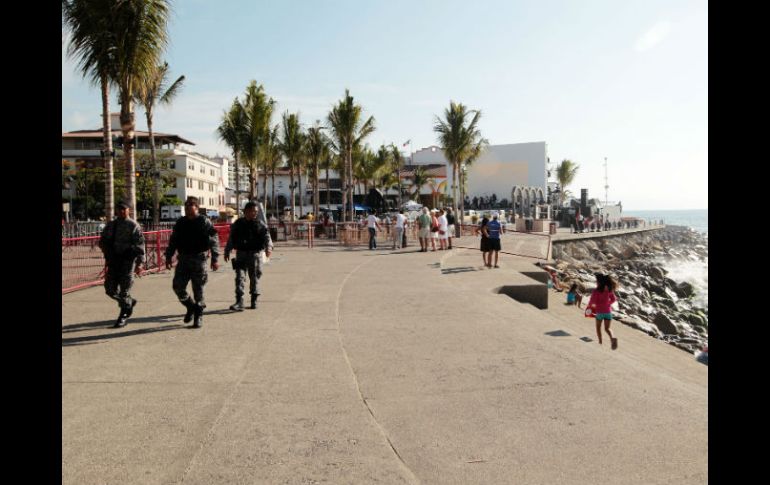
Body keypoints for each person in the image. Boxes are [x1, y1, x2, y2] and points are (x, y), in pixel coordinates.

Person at [164, 197, 220, 328]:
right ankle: (190, 306)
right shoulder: (181, 222)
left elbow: (214, 240)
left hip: (199, 259)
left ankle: (198, 315)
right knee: (178, 287)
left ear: (197, 208)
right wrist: (168, 256)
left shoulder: (204, 221)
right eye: (187, 207)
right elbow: (173, 240)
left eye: (191, 207)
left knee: (198, 289)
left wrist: (215, 258)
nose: (188, 209)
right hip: (183, 259)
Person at [98, 202, 145, 328]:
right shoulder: (111, 225)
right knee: (110, 289)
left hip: (127, 262)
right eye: (119, 209)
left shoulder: (133, 225)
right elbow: (102, 241)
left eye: (124, 209)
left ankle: (123, 315)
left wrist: (140, 263)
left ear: (129, 210)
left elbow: (140, 245)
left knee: (124, 290)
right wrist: (107, 251)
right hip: (114, 261)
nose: (122, 212)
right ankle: (128, 302)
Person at [224, 201, 273, 311]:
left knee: (254, 277)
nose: (254, 213)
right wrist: (227, 250)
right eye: (252, 211)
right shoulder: (238, 224)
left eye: (256, 212)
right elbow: (232, 238)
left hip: (255, 255)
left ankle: (254, 300)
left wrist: (268, 248)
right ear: (246, 211)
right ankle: (239, 301)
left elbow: (267, 237)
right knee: (239, 277)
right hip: (241, 254)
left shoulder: (260, 224)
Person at [586, 273, 619, 349]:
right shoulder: (609, 290)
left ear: (599, 282)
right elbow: (614, 299)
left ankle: (600, 342)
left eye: (596, 281)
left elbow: (592, 302)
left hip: (599, 312)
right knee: (607, 329)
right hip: (608, 312)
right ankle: (613, 338)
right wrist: (608, 303)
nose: (596, 282)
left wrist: (590, 307)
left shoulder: (596, 291)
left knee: (598, 327)